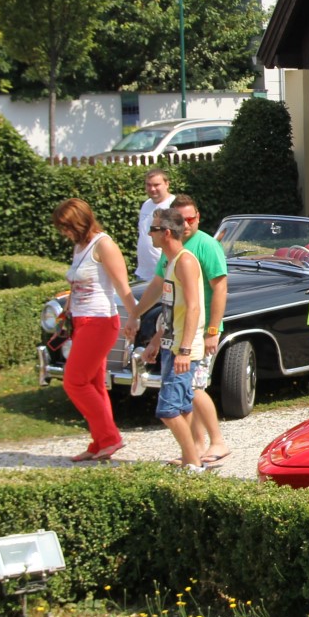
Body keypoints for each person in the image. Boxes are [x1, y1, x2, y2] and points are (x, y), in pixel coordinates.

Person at [135, 194, 230, 466]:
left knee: (191, 391)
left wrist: (212, 330)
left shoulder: (202, 249)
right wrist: (143, 323)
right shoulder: (172, 256)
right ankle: (195, 450)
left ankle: (214, 443)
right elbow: (166, 300)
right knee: (189, 395)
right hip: (177, 336)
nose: (186, 224)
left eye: (190, 219)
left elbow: (212, 293)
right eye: (182, 219)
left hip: (196, 334)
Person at [53, 198, 139, 462]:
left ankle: (110, 438)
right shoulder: (80, 246)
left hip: (100, 321)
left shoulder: (104, 245)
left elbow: (122, 286)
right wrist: (67, 312)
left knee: (74, 381)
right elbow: (78, 285)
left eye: (67, 227)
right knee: (93, 384)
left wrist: (134, 318)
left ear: (80, 222)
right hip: (81, 320)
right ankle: (100, 442)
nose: (64, 233)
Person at [139, 208, 205, 472]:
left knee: (167, 410)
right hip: (172, 344)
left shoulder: (185, 261)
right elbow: (171, 308)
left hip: (182, 347)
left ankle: (193, 463)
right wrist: (156, 340)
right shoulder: (171, 261)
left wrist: (185, 350)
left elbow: (193, 307)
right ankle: (190, 456)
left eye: (153, 229)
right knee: (183, 406)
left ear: (166, 233)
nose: (149, 234)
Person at [135, 169, 175, 284]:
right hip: (143, 272)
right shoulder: (146, 204)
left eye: (156, 185)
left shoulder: (173, 205)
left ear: (167, 184)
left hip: (164, 273)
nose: (152, 189)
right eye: (149, 185)